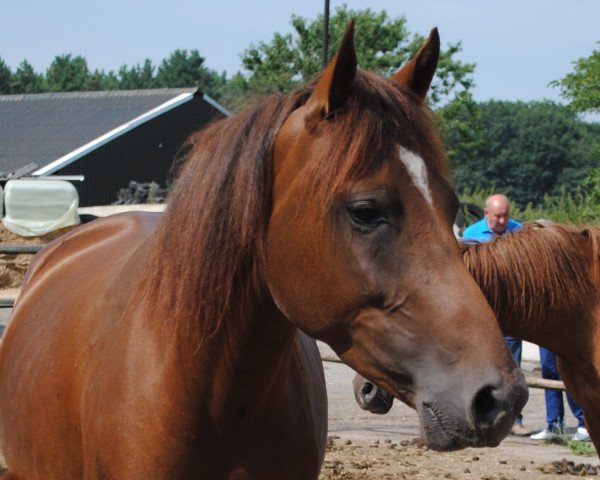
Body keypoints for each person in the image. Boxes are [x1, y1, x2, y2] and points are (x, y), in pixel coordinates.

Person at [462, 194, 530, 436]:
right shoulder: (471, 234)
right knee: (478, 365)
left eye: (505, 215)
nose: (502, 220)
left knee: (512, 365)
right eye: (497, 215)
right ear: (486, 213)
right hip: (482, 312)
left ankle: (515, 420)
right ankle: (477, 418)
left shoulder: (518, 232)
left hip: (510, 313)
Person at [530, 347, 590, 442]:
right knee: (549, 371)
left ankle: (585, 425)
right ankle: (554, 426)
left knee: (569, 372)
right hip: (545, 334)